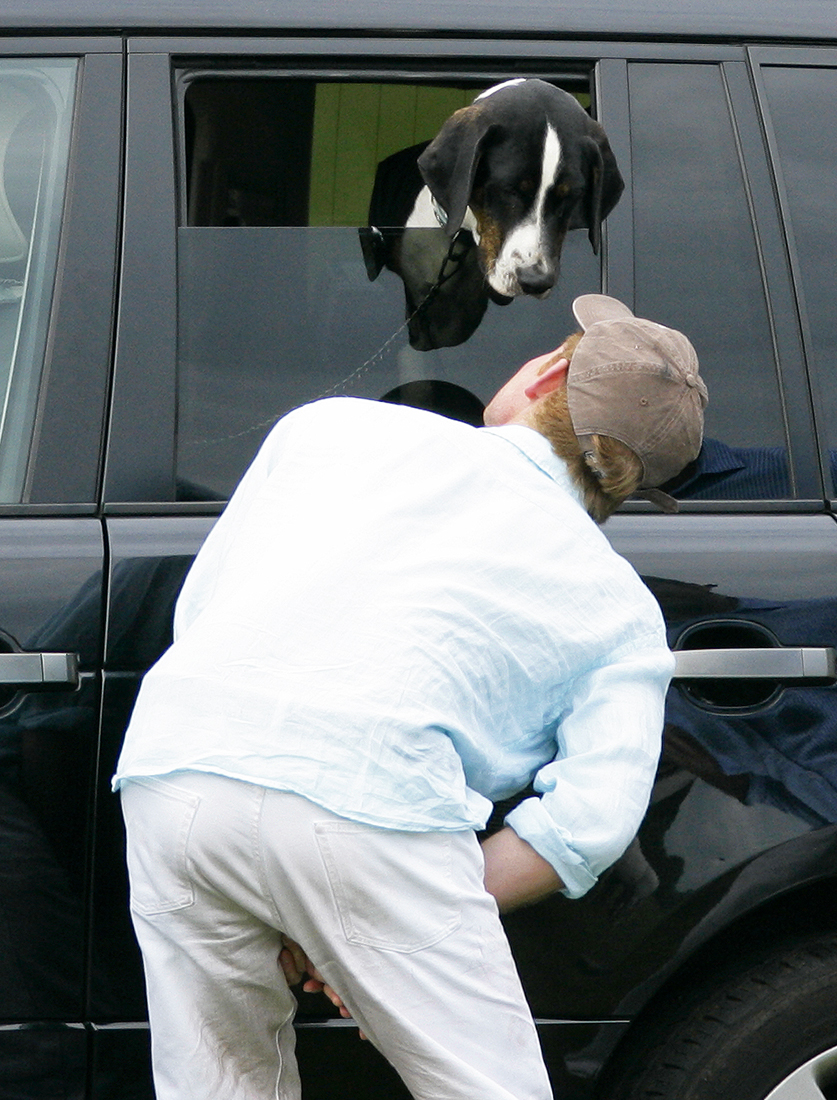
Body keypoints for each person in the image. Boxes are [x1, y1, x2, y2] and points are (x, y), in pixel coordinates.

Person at [112, 293, 707, 1100]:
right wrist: (382, 920)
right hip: (373, 807)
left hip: (174, 766)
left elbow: (206, 616)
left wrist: (330, 914)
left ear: (545, 376)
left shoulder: (326, 429)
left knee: (219, 1085)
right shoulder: (620, 607)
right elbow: (590, 824)